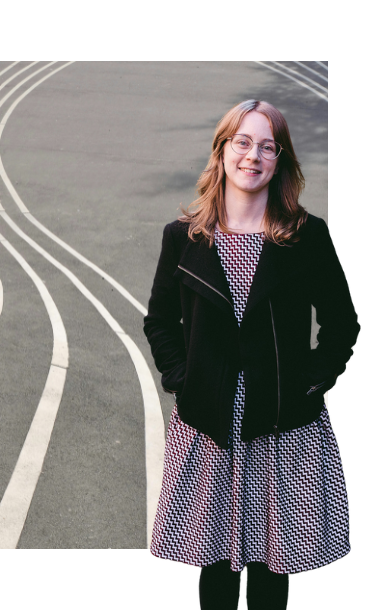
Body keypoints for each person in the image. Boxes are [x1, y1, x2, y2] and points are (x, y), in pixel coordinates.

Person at [143, 100, 359, 609]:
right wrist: (184, 378)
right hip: (209, 422)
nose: (253, 156)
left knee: (270, 563)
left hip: (281, 423)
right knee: (215, 563)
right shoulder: (184, 238)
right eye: (242, 142)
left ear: (280, 161)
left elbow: (341, 323)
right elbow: (160, 322)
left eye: (268, 146)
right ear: (221, 152)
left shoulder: (306, 237)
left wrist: (311, 381)